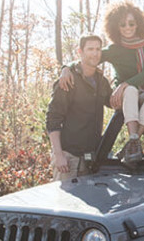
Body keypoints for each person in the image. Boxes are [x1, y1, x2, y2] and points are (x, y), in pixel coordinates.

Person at [59, 1, 144, 163]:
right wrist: (66, 68)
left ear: (138, 25)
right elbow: (87, 60)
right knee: (130, 91)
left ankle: (133, 141)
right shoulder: (114, 50)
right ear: (115, 27)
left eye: (131, 24)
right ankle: (134, 139)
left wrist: (123, 84)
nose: (127, 28)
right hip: (125, 96)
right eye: (122, 24)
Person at [46, 35, 112, 181]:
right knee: (64, 204)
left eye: (98, 49)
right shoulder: (68, 80)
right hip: (69, 159)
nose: (95, 53)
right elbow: (53, 119)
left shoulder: (102, 81)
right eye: (90, 49)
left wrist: (130, 90)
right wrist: (59, 155)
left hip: (92, 160)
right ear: (80, 52)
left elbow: (114, 103)